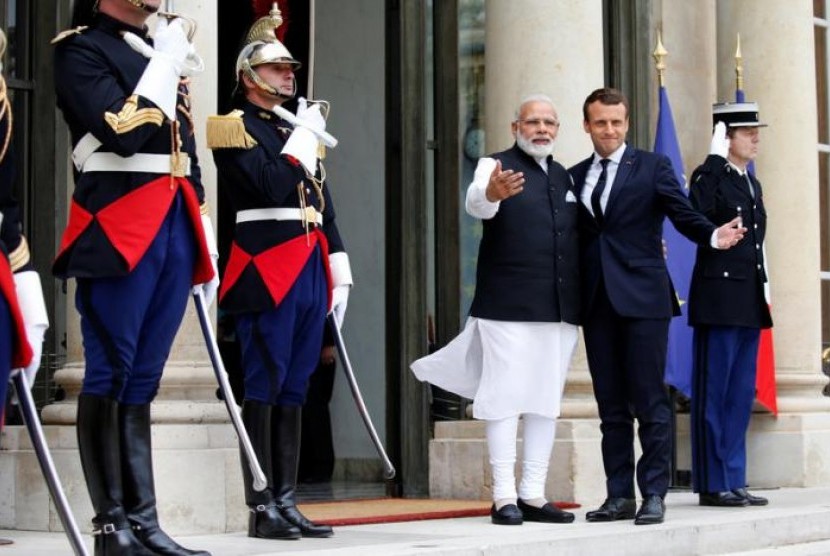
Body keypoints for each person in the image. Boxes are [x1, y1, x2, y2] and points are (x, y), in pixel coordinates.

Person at [52, 1, 217, 554]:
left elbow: (184, 151)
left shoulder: (155, 50)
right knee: (110, 373)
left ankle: (144, 522)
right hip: (117, 224)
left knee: (144, 378)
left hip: (172, 223)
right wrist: (166, 65)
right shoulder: (80, 49)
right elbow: (119, 130)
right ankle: (109, 526)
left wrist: (202, 222)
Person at [207, 4, 351, 541]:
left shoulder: (296, 126)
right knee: (264, 381)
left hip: (309, 260)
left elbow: (320, 201)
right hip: (266, 265)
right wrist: (300, 140)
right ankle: (261, 502)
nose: (289, 75)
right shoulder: (232, 126)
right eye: (277, 68)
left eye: (291, 68)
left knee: (298, 383)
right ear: (249, 76)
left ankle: (287, 500)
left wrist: (339, 259)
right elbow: (266, 186)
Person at [569, 87, 745, 526]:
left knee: (649, 401)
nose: (609, 130)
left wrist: (711, 236)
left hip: (644, 298)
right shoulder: (571, 177)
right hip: (596, 302)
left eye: (616, 122)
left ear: (626, 124)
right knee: (610, 406)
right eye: (600, 122)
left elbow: (682, 213)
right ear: (587, 125)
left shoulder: (652, 166)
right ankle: (617, 496)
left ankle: (653, 495)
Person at [412, 94, 579, 526]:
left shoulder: (565, 176)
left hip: (558, 307)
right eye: (533, 122)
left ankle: (533, 494)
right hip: (506, 304)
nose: (541, 129)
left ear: (557, 130)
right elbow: (476, 204)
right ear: (515, 127)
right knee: (505, 398)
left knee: (544, 402)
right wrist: (491, 193)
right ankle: (503, 495)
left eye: (549, 123)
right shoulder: (494, 165)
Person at [688, 102, 772, 508]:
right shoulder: (711, 177)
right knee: (715, 393)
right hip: (719, 300)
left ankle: (734, 477)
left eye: (756, 130)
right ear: (726, 136)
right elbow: (694, 211)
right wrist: (711, 160)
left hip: (747, 300)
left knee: (739, 393)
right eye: (746, 131)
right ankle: (712, 480)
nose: (755, 137)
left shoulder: (750, 183)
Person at [299, 322, 337, 484]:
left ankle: (322, 467)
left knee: (316, 410)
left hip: (317, 351)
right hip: (299, 349)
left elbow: (327, 311)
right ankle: (303, 468)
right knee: (298, 412)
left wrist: (328, 344)